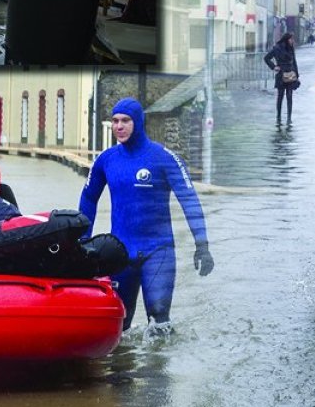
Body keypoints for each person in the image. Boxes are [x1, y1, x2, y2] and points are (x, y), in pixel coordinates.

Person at [79, 98, 214, 331]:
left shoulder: (164, 158)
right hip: (120, 253)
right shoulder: (106, 160)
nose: (119, 126)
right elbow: (89, 199)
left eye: (125, 121)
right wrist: (81, 244)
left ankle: (158, 366)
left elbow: (189, 201)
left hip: (158, 251)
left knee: (159, 317)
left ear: (139, 122)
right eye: (115, 121)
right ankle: (123, 367)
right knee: (120, 324)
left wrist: (201, 244)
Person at [264, 32, 300, 123]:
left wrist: (297, 75)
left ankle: (289, 118)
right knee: (280, 96)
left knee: (289, 96)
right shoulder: (277, 48)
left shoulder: (291, 48)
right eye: (291, 39)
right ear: (287, 39)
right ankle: (278, 117)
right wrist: (274, 67)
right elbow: (266, 58)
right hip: (281, 74)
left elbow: (294, 62)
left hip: (291, 74)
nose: (292, 41)